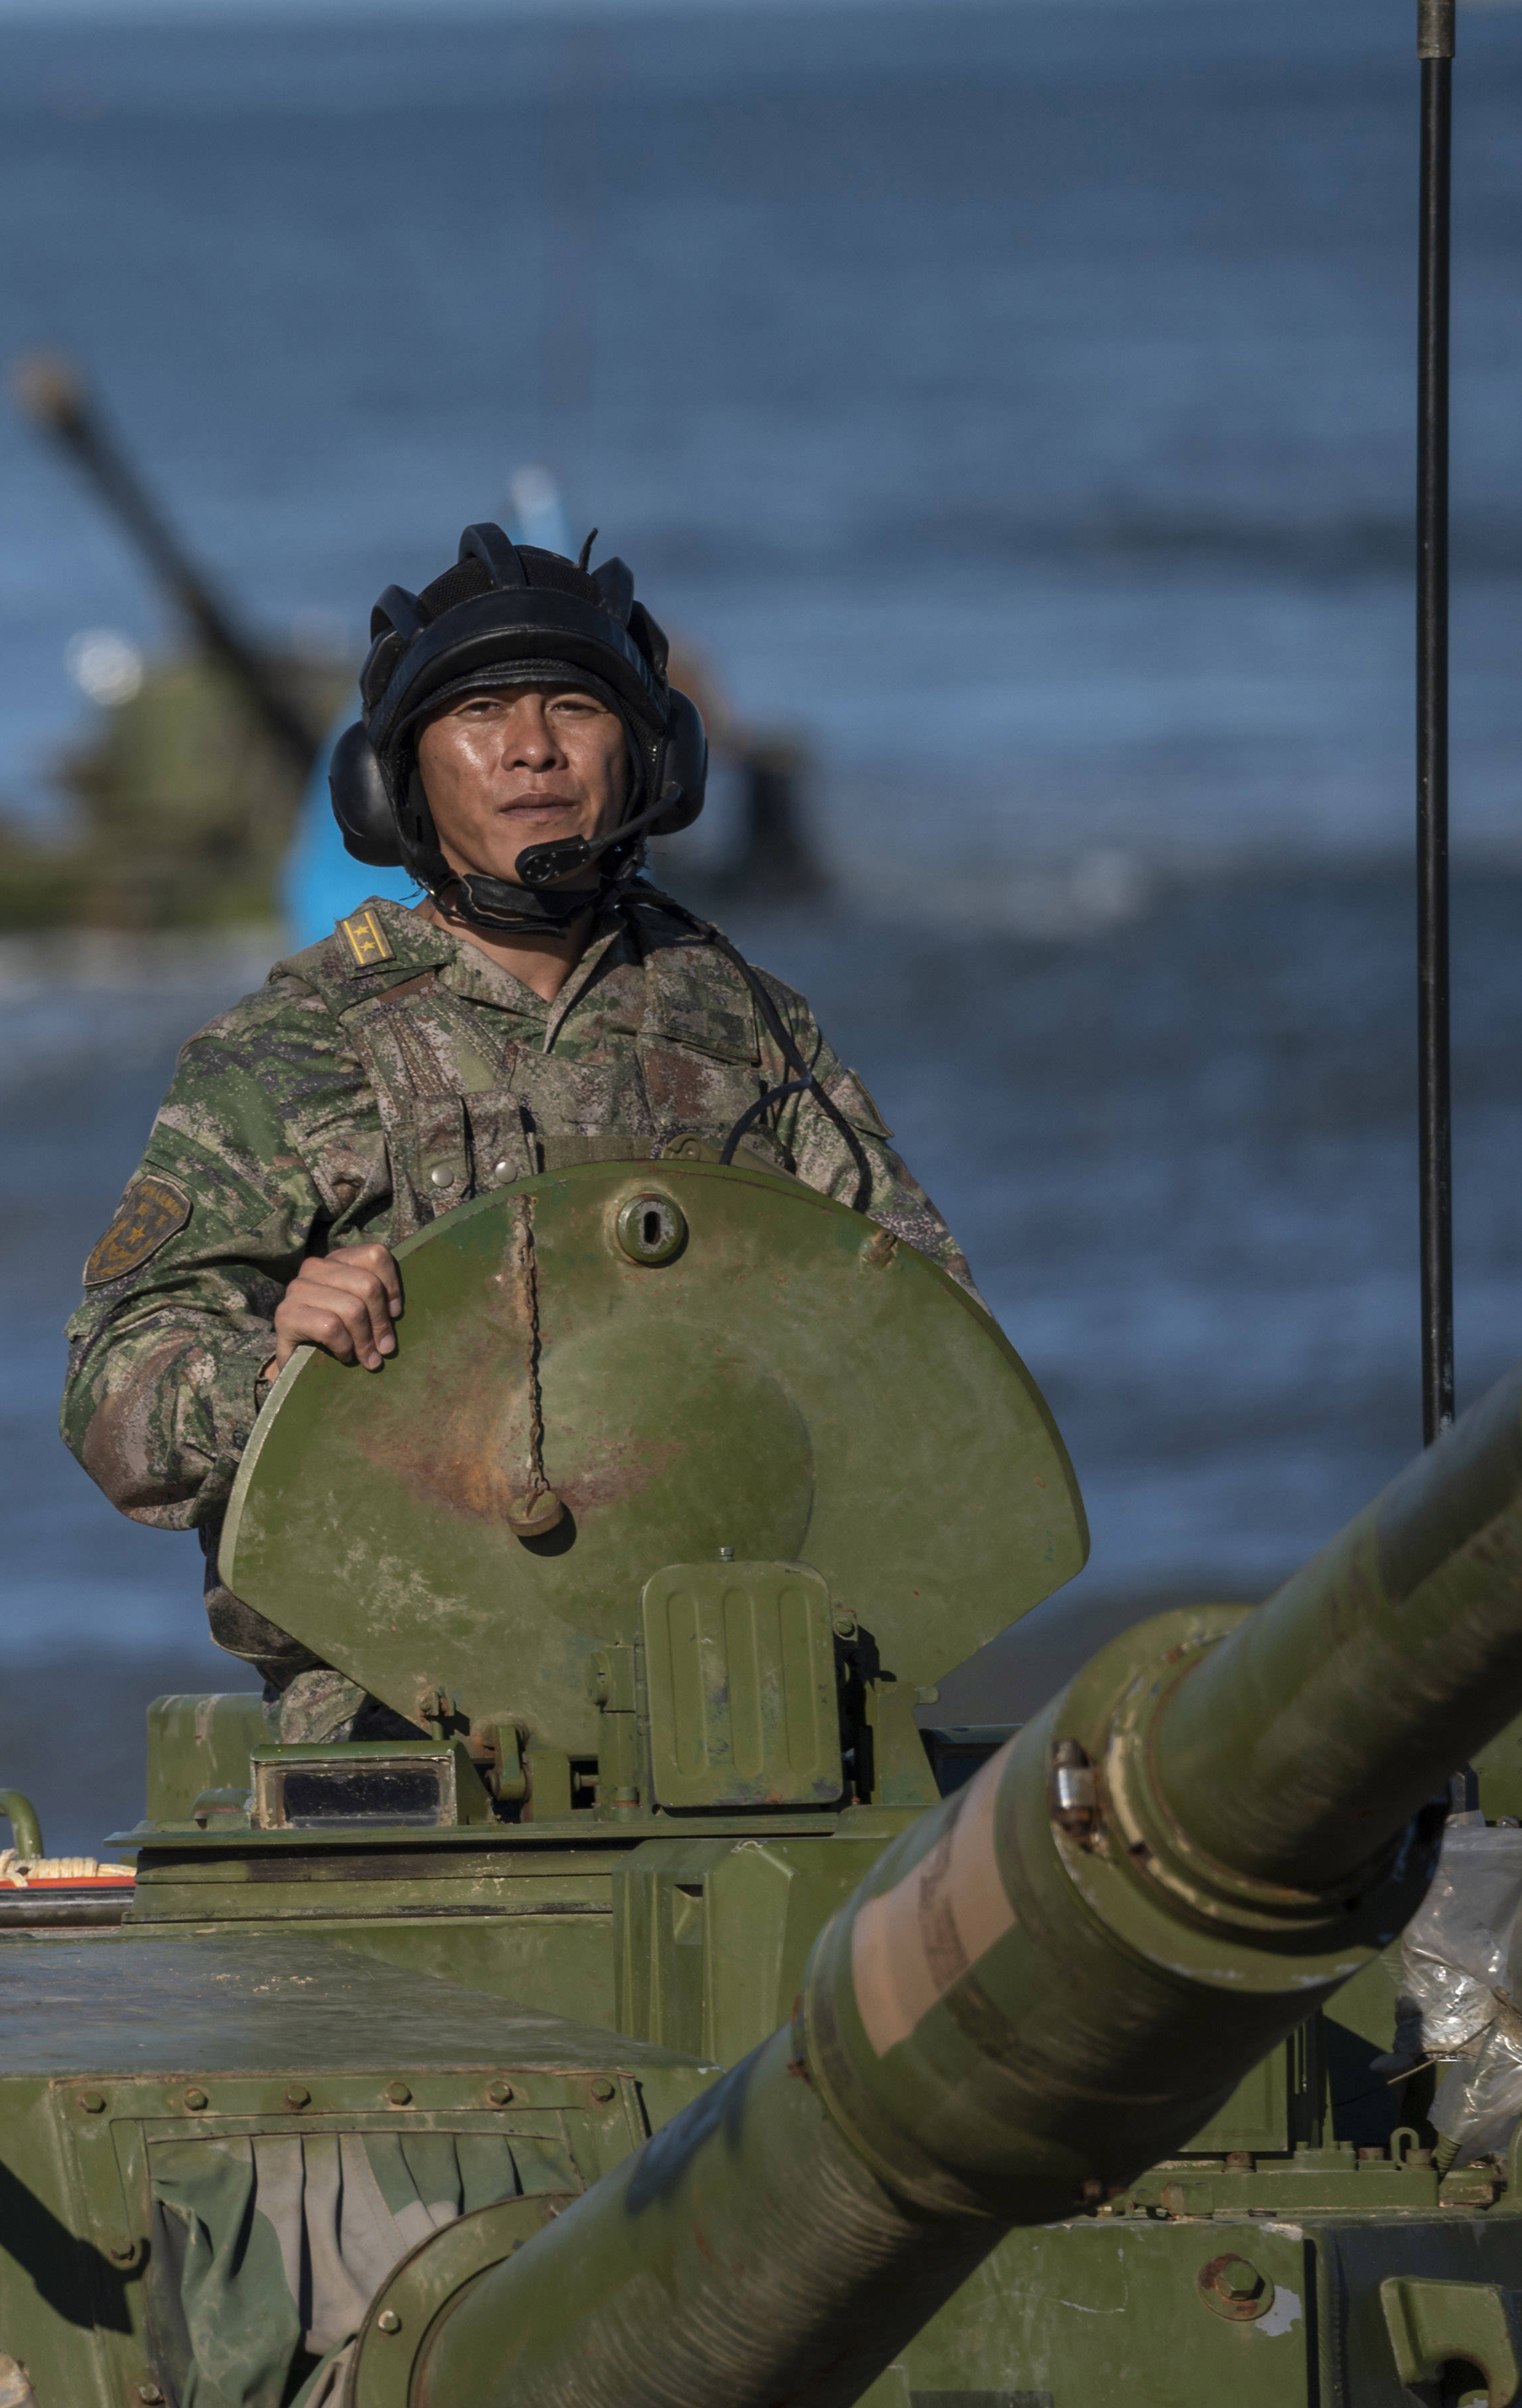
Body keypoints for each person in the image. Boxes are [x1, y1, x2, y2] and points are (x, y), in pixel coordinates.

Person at [61, 522, 977, 1740]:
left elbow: (927, 1335)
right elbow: (113, 1396)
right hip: (400, 1701)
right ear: (397, 780)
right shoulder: (292, 1051)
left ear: (652, 758)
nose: (532, 750)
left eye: (573, 709)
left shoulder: (747, 1028)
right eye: (480, 713)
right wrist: (274, 1371)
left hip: (735, 1691)